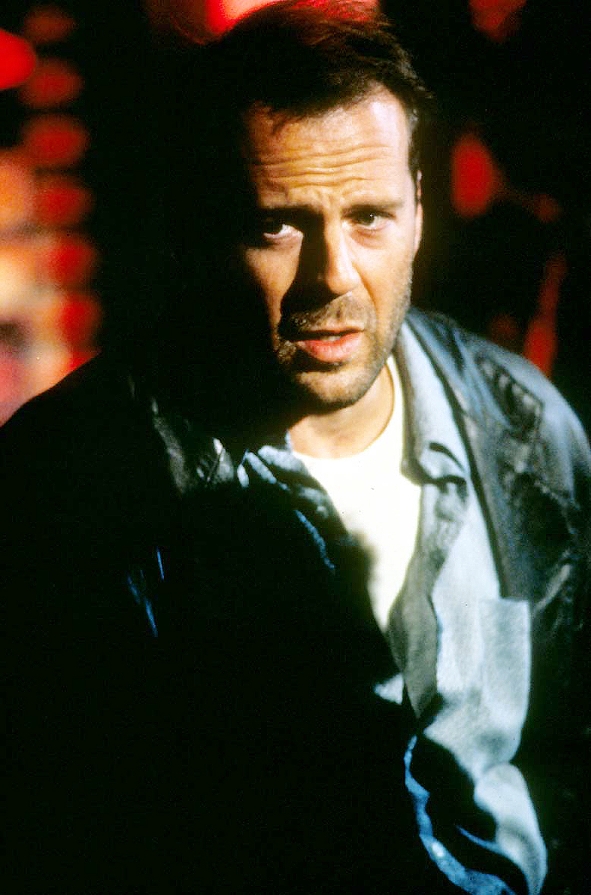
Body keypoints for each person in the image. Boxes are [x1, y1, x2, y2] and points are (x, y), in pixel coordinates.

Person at [2, 3, 589, 893]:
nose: (331, 276)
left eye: (369, 217)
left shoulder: (521, 428)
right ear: (204, 224)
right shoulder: (76, 480)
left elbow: (565, 750)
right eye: (277, 224)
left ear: (418, 208)